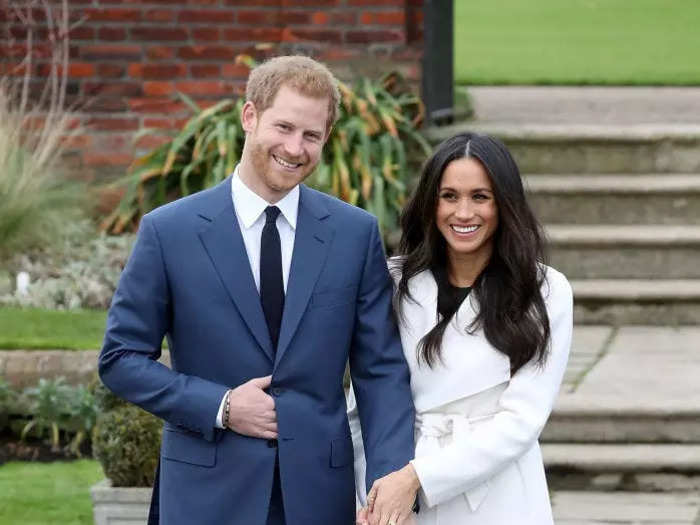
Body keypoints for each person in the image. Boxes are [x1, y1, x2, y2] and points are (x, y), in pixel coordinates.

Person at [99, 55, 416, 525]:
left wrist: (390, 487)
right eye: (283, 127)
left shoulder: (355, 234)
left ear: (326, 137)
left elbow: (381, 372)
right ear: (250, 117)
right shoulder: (170, 231)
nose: (295, 147)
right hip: (205, 495)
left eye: (311, 135)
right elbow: (120, 359)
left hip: (317, 497)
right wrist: (221, 407)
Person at [349, 132, 573, 525]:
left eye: (480, 197)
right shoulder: (393, 281)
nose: (463, 213)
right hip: (395, 497)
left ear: (504, 204)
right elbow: (365, 402)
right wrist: (367, 496)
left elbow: (521, 420)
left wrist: (417, 477)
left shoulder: (544, 290)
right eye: (449, 196)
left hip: (497, 497)